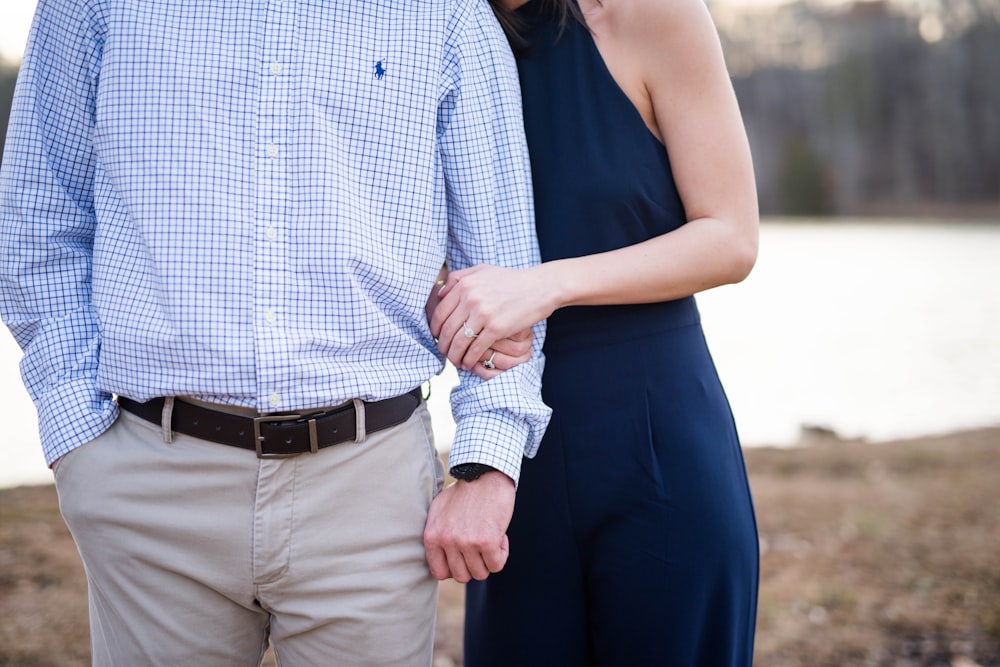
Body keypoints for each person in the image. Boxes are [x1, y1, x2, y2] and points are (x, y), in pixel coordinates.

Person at [0, 0, 550, 664]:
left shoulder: (447, 17)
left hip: (371, 493)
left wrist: (490, 464)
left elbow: (502, 272)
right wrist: (78, 440)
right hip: (150, 486)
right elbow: (39, 214)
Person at [429, 0, 761, 664]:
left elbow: (731, 236)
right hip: (511, 455)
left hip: (657, 437)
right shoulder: (431, 36)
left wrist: (544, 284)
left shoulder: (652, 14)